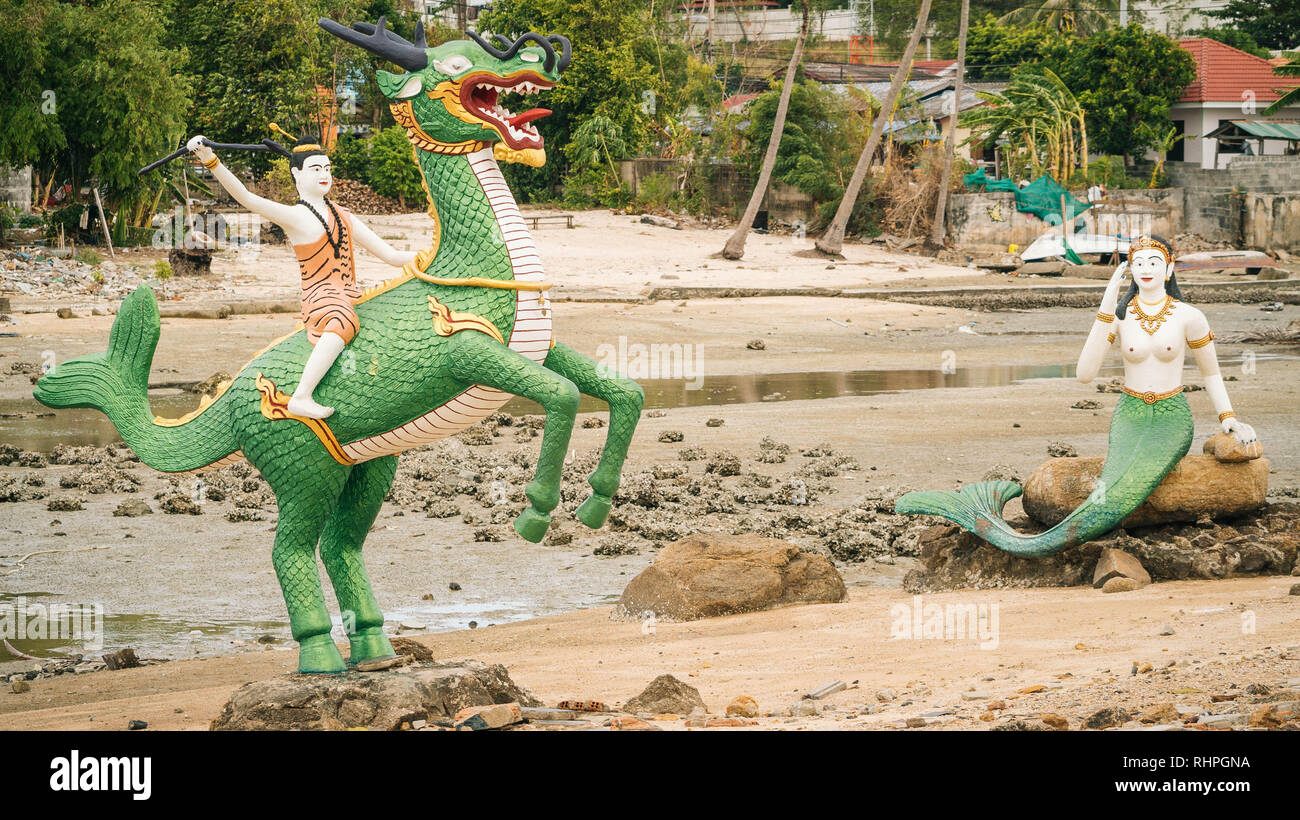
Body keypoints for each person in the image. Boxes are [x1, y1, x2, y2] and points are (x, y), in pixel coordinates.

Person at [895, 235, 1257, 556]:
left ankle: (1019, 533)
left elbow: (1211, 372)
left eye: (1154, 263)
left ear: (1169, 269)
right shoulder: (1119, 315)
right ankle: (993, 522)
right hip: (1129, 414)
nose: (1145, 269)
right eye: (1138, 263)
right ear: (1128, 270)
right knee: (1112, 483)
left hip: (1171, 418)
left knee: (1120, 491)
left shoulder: (1189, 316)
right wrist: (1107, 300)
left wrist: (1228, 419)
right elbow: (1085, 375)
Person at [187, 132, 417, 418]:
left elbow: (392, 256)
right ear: (297, 173)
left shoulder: (342, 214)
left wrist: (431, 256)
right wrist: (210, 160)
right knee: (342, 321)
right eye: (315, 169)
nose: (324, 175)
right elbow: (247, 198)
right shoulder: (295, 215)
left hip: (349, 291)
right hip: (320, 296)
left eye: (328, 169)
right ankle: (302, 396)